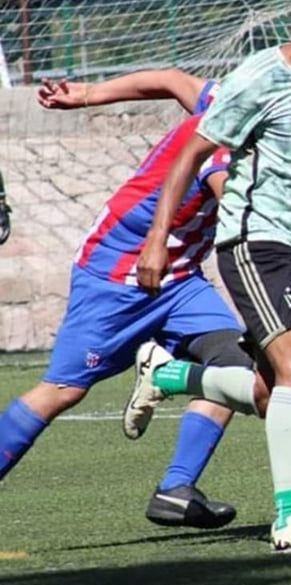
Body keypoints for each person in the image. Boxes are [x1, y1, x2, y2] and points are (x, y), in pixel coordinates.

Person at [132, 0, 291, 553]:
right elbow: (192, 152)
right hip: (255, 243)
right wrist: (157, 239)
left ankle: (167, 375)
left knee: (273, 393)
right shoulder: (260, 77)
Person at [0, 69, 271, 531]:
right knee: (63, 390)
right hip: (118, 273)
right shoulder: (224, 148)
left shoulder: (228, 104)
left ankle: (175, 489)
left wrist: (88, 94)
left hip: (179, 279)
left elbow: (170, 80)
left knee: (236, 367)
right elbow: (241, 214)